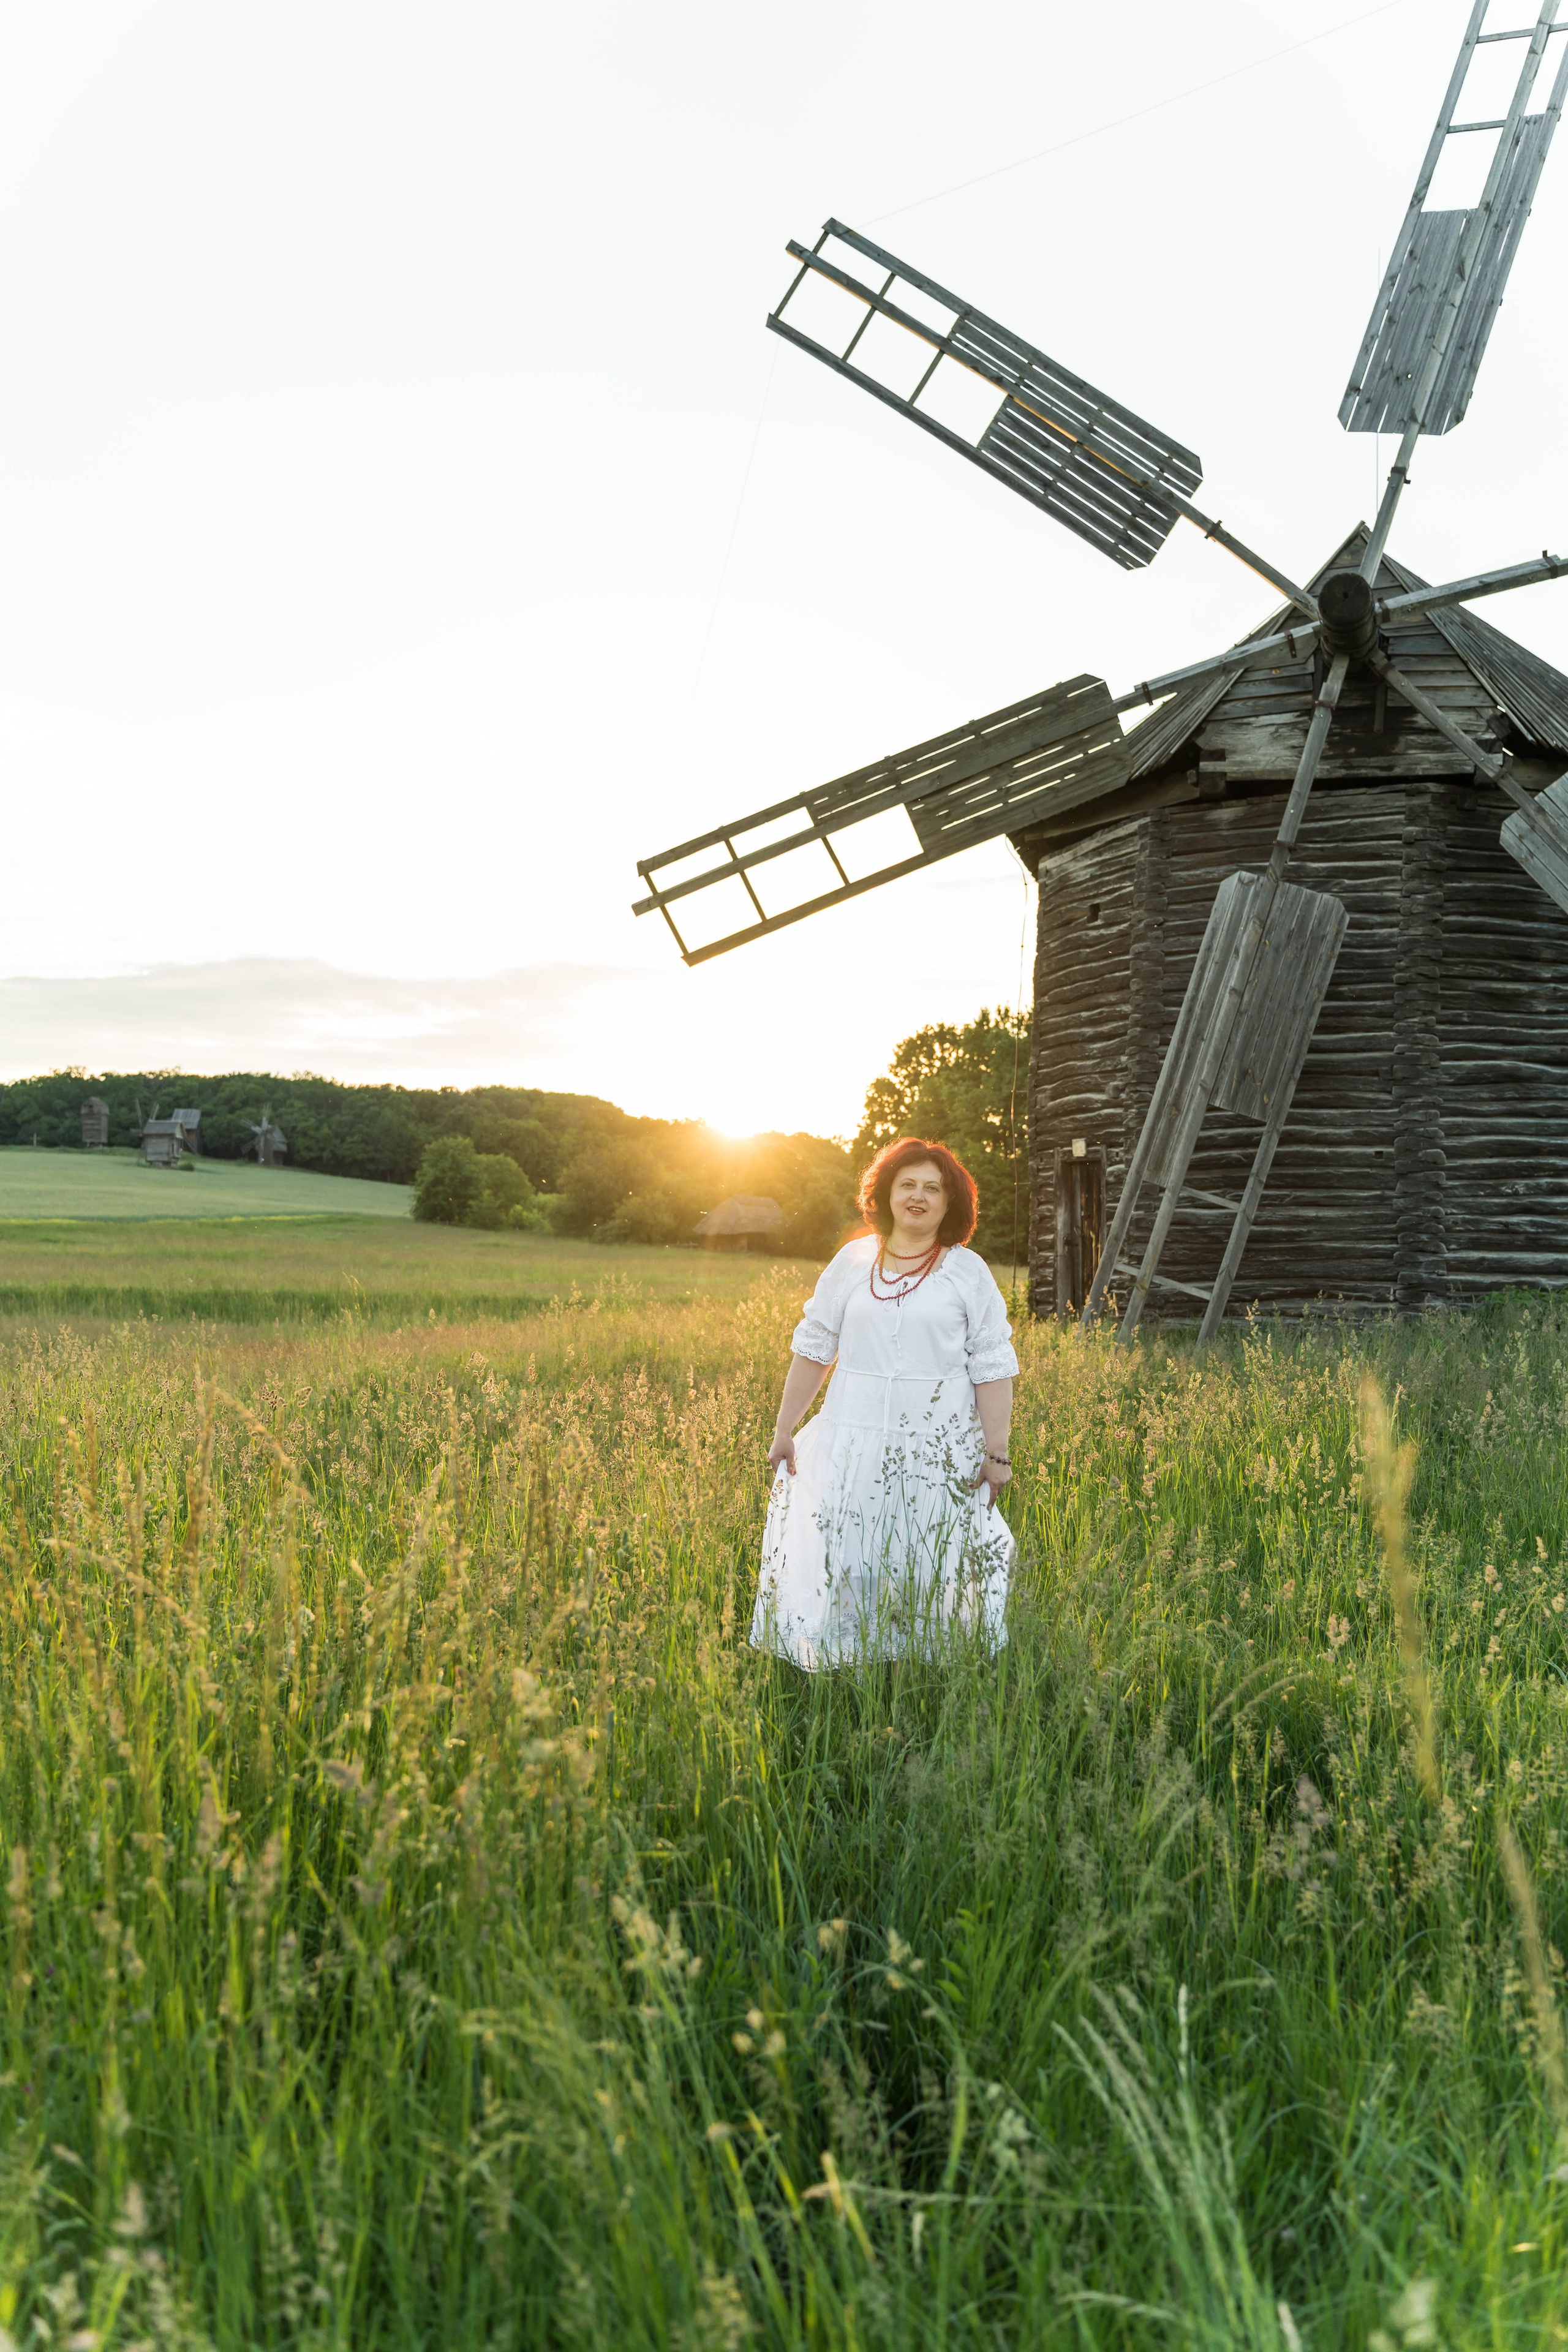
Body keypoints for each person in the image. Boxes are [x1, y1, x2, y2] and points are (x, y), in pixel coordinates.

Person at [750, 1136, 1018, 1670]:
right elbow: (814, 1346)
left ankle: (926, 1667)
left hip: (938, 1443)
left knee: (930, 1559)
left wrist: (998, 1451)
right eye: (908, 1185)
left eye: (933, 1188)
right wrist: (785, 1427)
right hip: (853, 1436)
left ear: (950, 1203)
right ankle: (850, 1663)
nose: (918, 1197)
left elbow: (992, 1365)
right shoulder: (853, 1261)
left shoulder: (968, 1271)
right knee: (850, 1554)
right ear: (887, 1193)